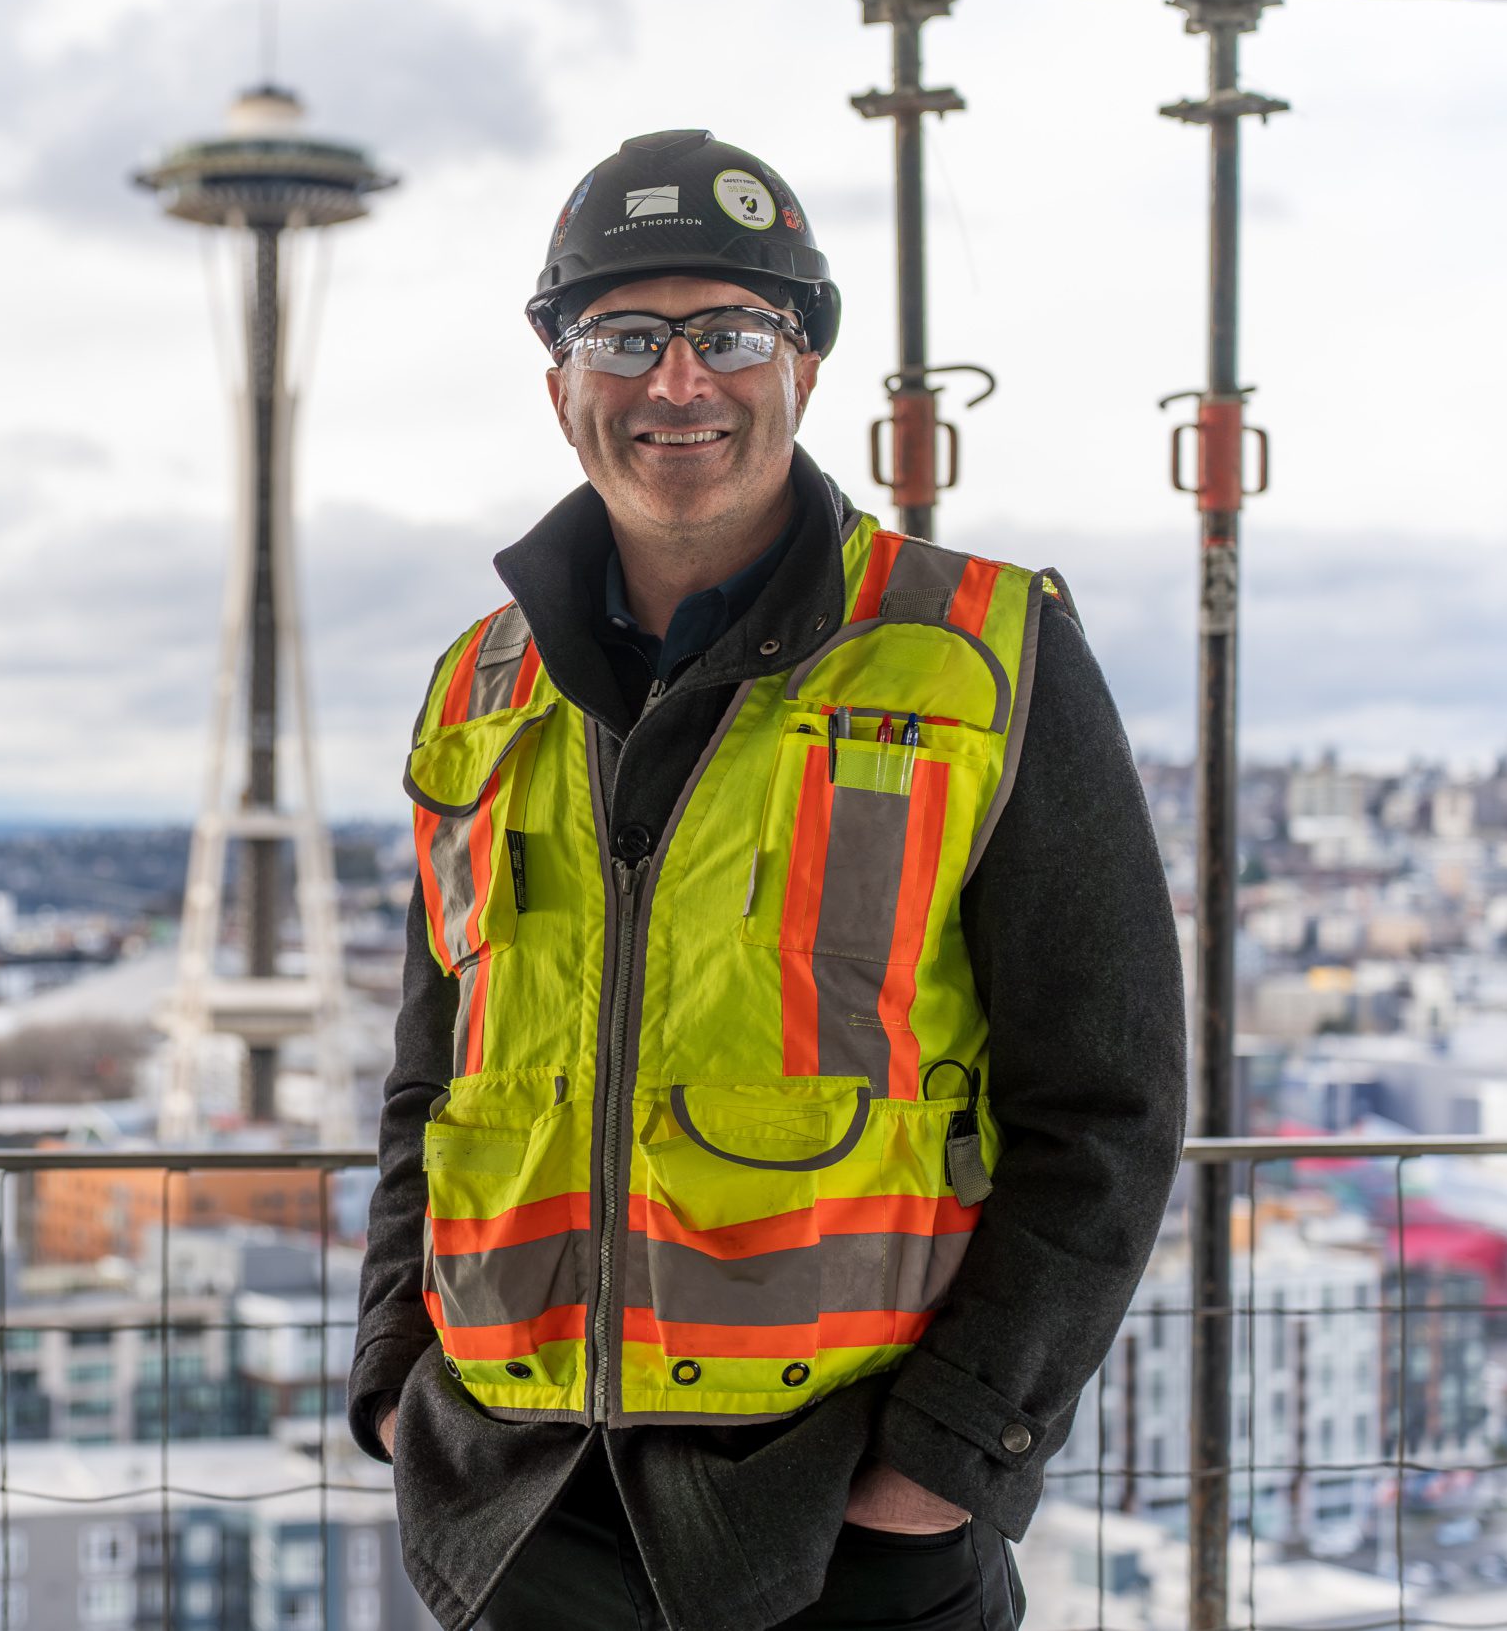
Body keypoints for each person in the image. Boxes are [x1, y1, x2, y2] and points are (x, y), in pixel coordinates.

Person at [348, 129, 1187, 1631]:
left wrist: (945, 1468)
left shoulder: (985, 653)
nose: (680, 383)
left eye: (733, 333)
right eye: (626, 336)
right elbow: (434, 1071)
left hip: (843, 1514)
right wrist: (391, 1383)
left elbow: (1108, 1104)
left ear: (804, 372)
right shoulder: (478, 688)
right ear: (562, 386)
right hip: (519, 1512)